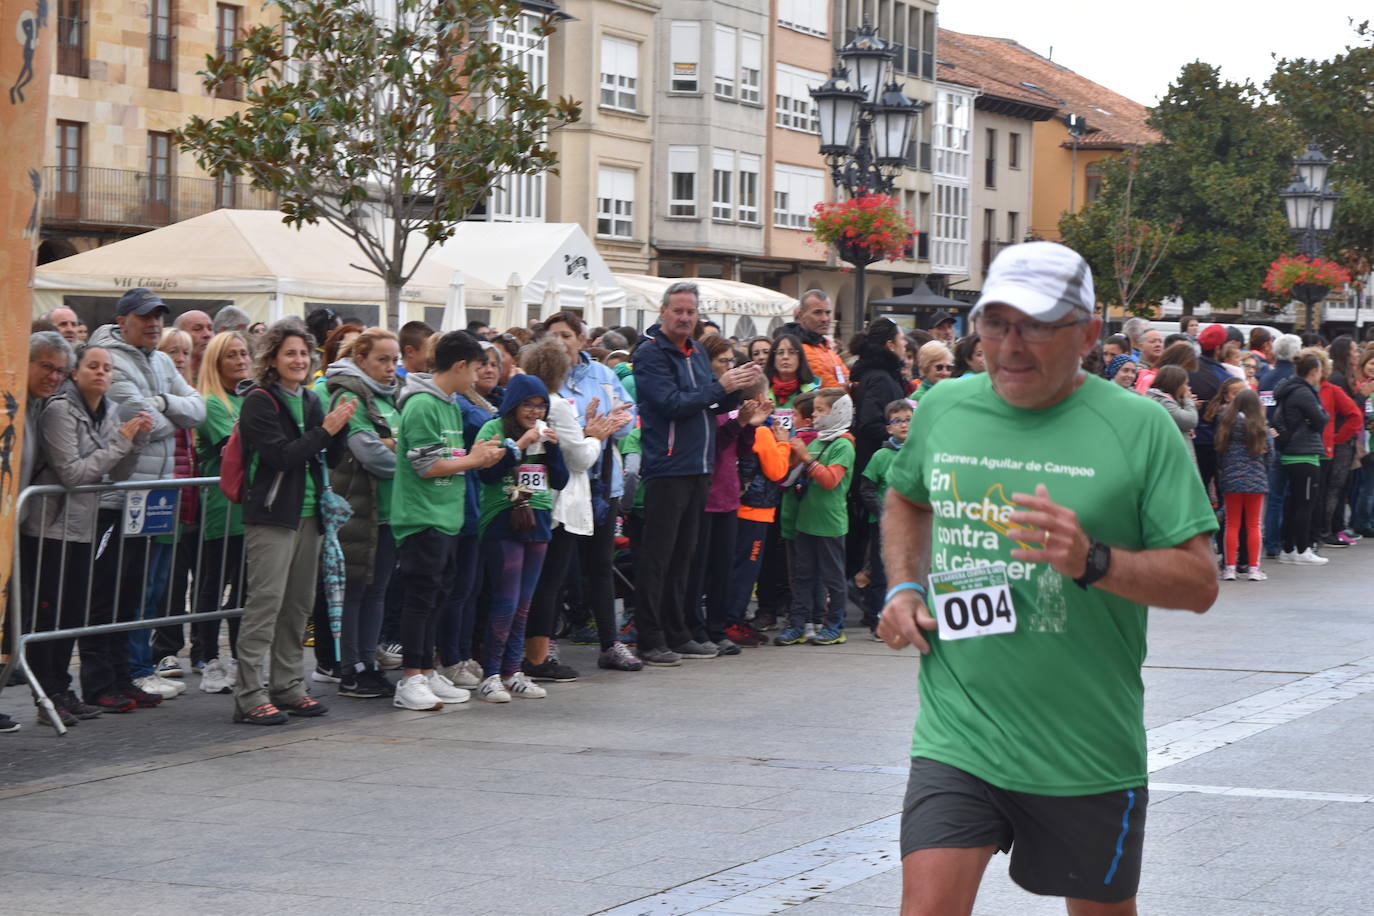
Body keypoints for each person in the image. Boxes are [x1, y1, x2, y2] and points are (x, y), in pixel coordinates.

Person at [877, 241, 1218, 915]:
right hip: (960, 732)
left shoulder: (1141, 428)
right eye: (997, 323)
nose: (1011, 344)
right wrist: (903, 587)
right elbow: (907, 497)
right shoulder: (944, 408)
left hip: (1085, 747)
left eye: (1035, 325)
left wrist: (1094, 561)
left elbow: (1199, 581)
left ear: (1088, 333)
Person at [631, 281, 761, 665]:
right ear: (663, 311)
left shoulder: (698, 352)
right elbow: (671, 404)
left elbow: (709, 400)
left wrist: (739, 388)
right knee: (659, 557)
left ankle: (679, 631)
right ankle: (650, 637)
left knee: (685, 556)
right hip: (669, 467)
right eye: (679, 311)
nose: (685, 318)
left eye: (691, 312)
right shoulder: (650, 354)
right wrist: (719, 387)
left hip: (700, 466)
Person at [232, 323, 355, 724]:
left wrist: (341, 428)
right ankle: (250, 693)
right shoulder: (259, 401)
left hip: (310, 514)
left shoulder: (309, 398)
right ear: (271, 359)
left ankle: (288, 685)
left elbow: (329, 458)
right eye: (290, 354)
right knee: (265, 604)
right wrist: (327, 429)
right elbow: (282, 456)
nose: (299, 360)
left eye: (303, 353)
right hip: (272, 515)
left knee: (297, 605)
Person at [23, 345, 152, 725]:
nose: (100, 373)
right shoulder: (59, 410)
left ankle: (62, 689)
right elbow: (73, 474)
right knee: (48, 616)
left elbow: (119, 473)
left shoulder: (108, 409)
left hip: (83, 527)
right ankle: (47, 695)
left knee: (72, 615)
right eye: (92, 366)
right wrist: (119, 442)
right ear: (76, 373)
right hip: (48, 528)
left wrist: (136, 439)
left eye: (107, 368)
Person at [87, 288, 205, 701]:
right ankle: (99, 683)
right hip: (114, 497)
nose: (154, 323)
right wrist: (168, 411)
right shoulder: (108, 359)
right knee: (107, 593)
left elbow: (198, 409)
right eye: (145, 316)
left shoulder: (159, 360)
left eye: (159, 315)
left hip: (149, 498)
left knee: (135, 593)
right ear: (123, 321)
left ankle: (125, 678)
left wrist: (161, 402)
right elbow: (147, 424)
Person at [389, 331, 504, 710]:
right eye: (475, 369)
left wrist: (475, 454)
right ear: (459, 365)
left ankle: (425, 667)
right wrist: (475, 460)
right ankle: (410, 678)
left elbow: (450, 455)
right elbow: (425, 465)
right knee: (421, 596)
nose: (477, 378)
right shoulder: (422, 404)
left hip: (447, 516)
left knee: (439, 594)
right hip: (423, 516)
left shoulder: (450, 404)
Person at [528, 313, 639, 675]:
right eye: (552, 335)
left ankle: (611, 644)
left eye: (565, 335)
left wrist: (605, 426)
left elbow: (626, 420)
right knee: (556, 571)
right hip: (565, 489)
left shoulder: (603, 376)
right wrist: (590, 430)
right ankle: (546, 648)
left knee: (599, 566)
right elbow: (567, 438)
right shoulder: (546, 384)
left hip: (602, 485)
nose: (559, 341)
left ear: (581, 338)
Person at [474, 373, 569, 701]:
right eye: (528, 404)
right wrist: (521, 445)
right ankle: (490, 674)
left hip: (539, 518)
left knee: (524, 603)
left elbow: (560, 481)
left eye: (541, 405)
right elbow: (486, 474)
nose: (535, 412)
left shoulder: (546, 433)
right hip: (501, 519)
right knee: (506, 600)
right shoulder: (493, 429)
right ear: (513, 404)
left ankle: (514, 671)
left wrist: (554, 450)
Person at [322, 328, 404, 698]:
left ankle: (368, 663)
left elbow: (402, 445)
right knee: (355, 591)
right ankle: (350, 668)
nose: (391, 368)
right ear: (360, 360)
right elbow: (371, 453)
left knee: (377, 592)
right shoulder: (348, 393)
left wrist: (396, 444)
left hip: (389, 511)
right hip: (359, 509)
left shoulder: (393, 397)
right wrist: (406, 452)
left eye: (394, 360)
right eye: (382, 360)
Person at [191, 332, 251, 693]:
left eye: (244, 353)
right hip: (221, 510)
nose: (241, 359)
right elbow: (237, 447)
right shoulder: (212, 403)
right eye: (232, 355)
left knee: (243, 590)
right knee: (213, 586)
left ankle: (239, 658)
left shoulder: (247, 397)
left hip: (249, 510)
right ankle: (208, 656)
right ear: (217, 362)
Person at [774, 388, 855, 647]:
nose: (816, 415)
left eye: (822, 410)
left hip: (830, 523)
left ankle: (835, 626)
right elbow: (791, 474)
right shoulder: (818, 440)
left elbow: (830, 480)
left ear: (838, 413)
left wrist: (806, 456)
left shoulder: (843, 444)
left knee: (833, 578)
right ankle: (798, 624)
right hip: (805, 520)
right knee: (802, 575)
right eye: (816, 410)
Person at [857, 399, 912, 636]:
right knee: (881, 573)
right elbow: (866, 488)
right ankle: (877, 619)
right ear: (889, 428)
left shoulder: (922, 454)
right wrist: (883, 514)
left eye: (909, 420)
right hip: (884, 526)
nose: (904, 425)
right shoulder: (881, 455)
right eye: (897, 421)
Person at [1274, 351, 1329, 565]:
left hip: (1290, 452)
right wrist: (1318, 416)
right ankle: (1302, 548)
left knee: (1293, 503)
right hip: (1304, 453)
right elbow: (1321, 420)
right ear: (1314, 371)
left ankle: (1287, 548)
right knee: (1305, 504)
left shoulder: (1288, 389)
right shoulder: (1304, 393)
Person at [1215, 389, 1271, 581]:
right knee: (1254, 525)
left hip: (1231, 479)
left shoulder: (1227, 424)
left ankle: (1230, 567)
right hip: (1256, 479)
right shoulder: (1261, 425)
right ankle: (1254, 569)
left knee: (1232, 524)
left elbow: (1220, 454)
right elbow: (1269, 453)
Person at [1259, 333, 1303, 557]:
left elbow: (1264, 408)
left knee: (1274, 495)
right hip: (1294, 441)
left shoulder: (1266, 377)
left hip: (1271, 437)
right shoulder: (1297, 379)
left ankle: (1272, 542)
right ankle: (1288, 540)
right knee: (1291, 495)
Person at [1315, 348, 1361, 550]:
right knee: (1327, 490)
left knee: (1332, 489)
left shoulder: (1331, 386)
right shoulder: (1332, 383)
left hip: (1328, 448)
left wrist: (1338, 438)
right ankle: (1324, 530)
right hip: (1316, 449)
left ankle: (1326, 530)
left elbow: (1354, 415)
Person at [779, 290, 847, 389]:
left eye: (828, 312)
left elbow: (846, 377)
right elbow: (831, 390)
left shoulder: (823, 344)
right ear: (801, 315)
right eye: (817, 312)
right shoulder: (796, 347)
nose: (825, 318)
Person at [173, 310, 214, 381]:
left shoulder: (223, 379)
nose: (207, 334)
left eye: (210, 329)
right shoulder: (170, 382)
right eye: (197, 329)